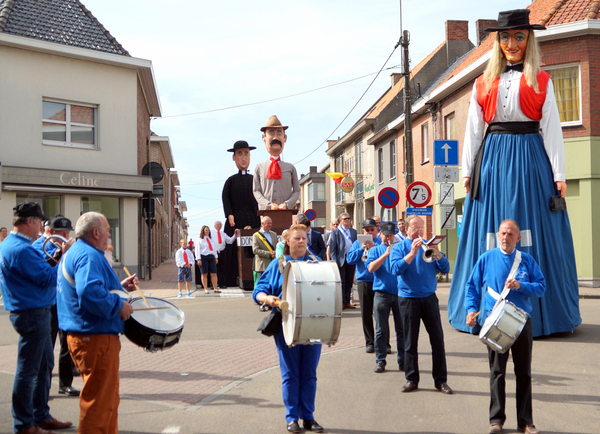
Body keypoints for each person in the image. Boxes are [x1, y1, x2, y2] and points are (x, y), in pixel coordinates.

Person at [447, 8, 580, 337]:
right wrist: (467, 171)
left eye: (519, 36)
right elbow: (474, 132)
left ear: (528, 40)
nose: (511, 42)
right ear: (498, 42)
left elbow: (551, 130)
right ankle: (480, 307)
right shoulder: (483, 82)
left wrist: (559, 174)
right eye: (505, 37)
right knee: (490, 229)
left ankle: (545, 314)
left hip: (531, 156)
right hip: (492, 159)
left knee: (534, 224)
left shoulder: (543, 80)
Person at [57, 211, 138, 434]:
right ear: (96, 233)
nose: (110, 235)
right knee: (99, 406)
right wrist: (118, 305)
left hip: (88, 335)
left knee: (106, 401)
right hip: (94, 337)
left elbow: (88, 288)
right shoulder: (89, 256)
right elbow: (89, 292)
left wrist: (119, 287)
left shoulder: (76, 252)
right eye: (108, 231)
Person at [465, 220, 546, 434]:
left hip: (520, 323)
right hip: (495, 323)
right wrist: (470, 310)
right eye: (503, 233)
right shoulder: (486, 258)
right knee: (497, 372)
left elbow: (541, 287)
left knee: (524, 373)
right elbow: (472, 287)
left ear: (518, 238)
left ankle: (525, 421)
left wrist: (521, 285)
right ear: (497, 235)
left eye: (511, 234)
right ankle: (496, 420)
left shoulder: (526, 261)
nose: (506, 237)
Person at [0, 202, 73, 434]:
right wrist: (64, 255)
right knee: (28, 372)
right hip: (32, 313)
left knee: (42, 368)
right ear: (30, 221)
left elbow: (38, 272)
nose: (41, 228)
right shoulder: (22, 248)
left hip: (31, 311)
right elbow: (48, 278)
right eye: (39, 222)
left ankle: (40, 415)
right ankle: (24, 424)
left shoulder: (12, 245)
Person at [252, 224, 324, 433]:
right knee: (291, 374)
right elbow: (258, 291)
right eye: (297, 239)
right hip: (287, 325)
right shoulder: (278, 264)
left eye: (304, 239)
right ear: (288, 243)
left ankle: (308, 418)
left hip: (313, 325)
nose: (301, 242)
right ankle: (292, 418)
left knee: (309, 373)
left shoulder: (316, 264)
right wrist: (267, 298)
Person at [390, 216, 453, 395]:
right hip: (408, 299)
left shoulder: (429, 245)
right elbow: (395, 269)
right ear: (407, 230)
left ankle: (440, 381)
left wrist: (438, 254)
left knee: (438, 341)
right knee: (410, 342)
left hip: (429, 297)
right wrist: (411, 253)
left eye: (420, 229)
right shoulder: (399, 247)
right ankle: (412, 379)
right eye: (414, 228)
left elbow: (445, 269)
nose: (417, 232)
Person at [31, 215, 80, 398]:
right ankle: (41, 389)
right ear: (50, 232)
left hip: (63, 300)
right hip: (46, 303)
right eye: (62, 233)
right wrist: (62, 254)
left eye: (67, 233)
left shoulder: (65, 247)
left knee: (67, 344)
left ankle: (65, 384)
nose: (66, 236)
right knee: (46, 347)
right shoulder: (37, 247)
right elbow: (44, 273)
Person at [366, 222, 405, 373]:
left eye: (391, 235)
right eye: (385, 234)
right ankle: (380, 361)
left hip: (399, 293)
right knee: (381, 329)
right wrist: (385, 255)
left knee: (401, 330)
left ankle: (402, 361)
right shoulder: (375, 250)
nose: (388, 237)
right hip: (381, 294)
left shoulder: (400, 249)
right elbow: (370, 268)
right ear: (380, 234)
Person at [222, 140, 261, 287]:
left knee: (254, 247)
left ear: (250, 157)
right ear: (234, 157)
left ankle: (254, 278)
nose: (243, 158)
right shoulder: (230, 181)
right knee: (231, 249)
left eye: (246, 153)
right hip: (235, 220)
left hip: (253, 219)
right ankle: (230, 279)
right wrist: (229, 214)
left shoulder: (255, 180)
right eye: (239, 154)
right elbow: (225, 198)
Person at [346, 218, 380, 353]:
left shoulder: (380, 242)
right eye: (367, 230)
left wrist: (374, 249)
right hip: (363, 281)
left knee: (380, 314)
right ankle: (370, 342)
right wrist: (361, 249)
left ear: (377, 230)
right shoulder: (357, 243)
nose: (370, 232)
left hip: (378, 280)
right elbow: (349, 260)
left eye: (372, 230)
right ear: (363, 231)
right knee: (366, 313)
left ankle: (383, 343)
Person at [253, 115, 300, 210]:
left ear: (285, 138)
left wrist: (287, 205)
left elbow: (297, 191)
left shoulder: (290, 168)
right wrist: (268, 205)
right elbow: (256, 191)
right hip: (265, 215)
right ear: (264, 137)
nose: (275, 137)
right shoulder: (259, 167)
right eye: (271, 132)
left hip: (286, 215)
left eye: (279, 133)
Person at [327, 212, 357, 309]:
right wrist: (334, 261)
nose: (347, 220)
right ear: (340, 221)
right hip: (341, 259)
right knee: (342, 282)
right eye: (345, 219)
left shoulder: (354, 232)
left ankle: (347, 301)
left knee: (349, 282)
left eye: (348, 218)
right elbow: (333, 249)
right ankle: (341, 303)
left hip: (351, 259)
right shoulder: (335, 232)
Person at [252, 216, 277, 290]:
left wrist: (275, 252)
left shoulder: (274, 234)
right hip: (262, 265)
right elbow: (255, 250)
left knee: (271, 285)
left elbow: (276, 247)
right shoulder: (256, 235)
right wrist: (268, 253)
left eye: (271, 223)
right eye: (268, 223)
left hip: (272, 264)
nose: (270, 225)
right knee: (262, 285)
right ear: (262, 223)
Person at [212, 221, 237, 289]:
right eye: (218, 224)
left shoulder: (223, 234)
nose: (219, 226)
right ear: (214, 225)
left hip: (222, 252)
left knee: (222, 269)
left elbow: (230, 241)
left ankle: (222, 283)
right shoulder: (211, 232)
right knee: (214, 269)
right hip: (214, 252)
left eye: (220, 224)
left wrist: (235, 235)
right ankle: (213, 284)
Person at [196, 225, 219, 294]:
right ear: (203, 231)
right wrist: (198, 259)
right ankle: (206, 289)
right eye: (206, 230)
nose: (207, 231)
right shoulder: (199, 240)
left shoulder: (211, 239)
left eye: (208, 230)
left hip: (211, 257)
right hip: (203, 257)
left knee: (214, 273)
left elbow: (214, 249)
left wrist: (216, 257)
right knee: (204, 273)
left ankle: (215, 288)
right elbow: (197, 250)